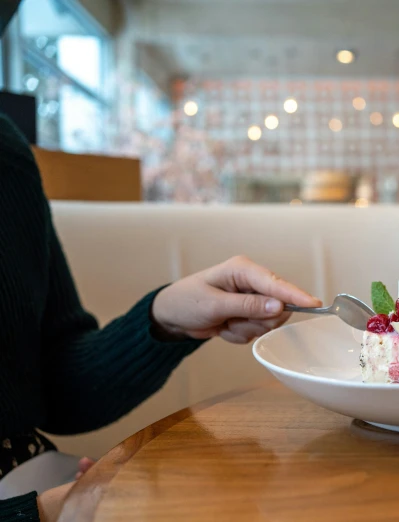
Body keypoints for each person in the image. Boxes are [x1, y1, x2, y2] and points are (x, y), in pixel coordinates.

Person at [0, 82, 320, 522]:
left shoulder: (7, 152)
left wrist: (163, 320)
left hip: (39, 476)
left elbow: (54, 393)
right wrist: (41, 510)